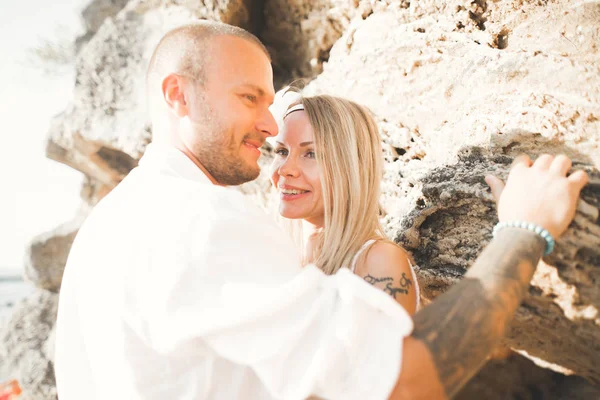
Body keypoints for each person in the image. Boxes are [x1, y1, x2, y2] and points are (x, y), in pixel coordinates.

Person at [54, 21, 589, 400]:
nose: (268, 128)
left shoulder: (109, 225)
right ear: (178, 95)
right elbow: (403, 382)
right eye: (248, 97)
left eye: (309, 152)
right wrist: (522, 230)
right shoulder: (198, 221)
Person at [271, 95, 419, 314]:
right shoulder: (278, 253)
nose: (285, 169)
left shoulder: (378, 262)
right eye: (282, 151)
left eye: (311, 154)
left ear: (350, 168)